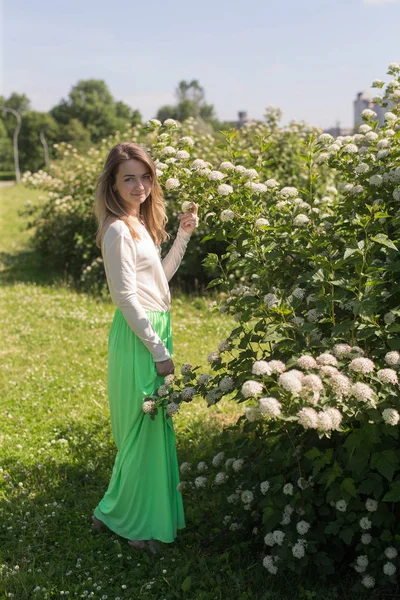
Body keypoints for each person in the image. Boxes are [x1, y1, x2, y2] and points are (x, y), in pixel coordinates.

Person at [91, 141, 199, 553]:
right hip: (140, 337)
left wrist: (183, 237)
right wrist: (158, 350)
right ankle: (129, 521)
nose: (139, 185)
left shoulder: (138, 225)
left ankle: (112, 510)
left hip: (153, 328)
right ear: (113, 185)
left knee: (151, 429)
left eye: (145, 176)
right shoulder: (118, 229)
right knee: (142, 428)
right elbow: (125, 298)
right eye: (128, 178)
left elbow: (157, 283)